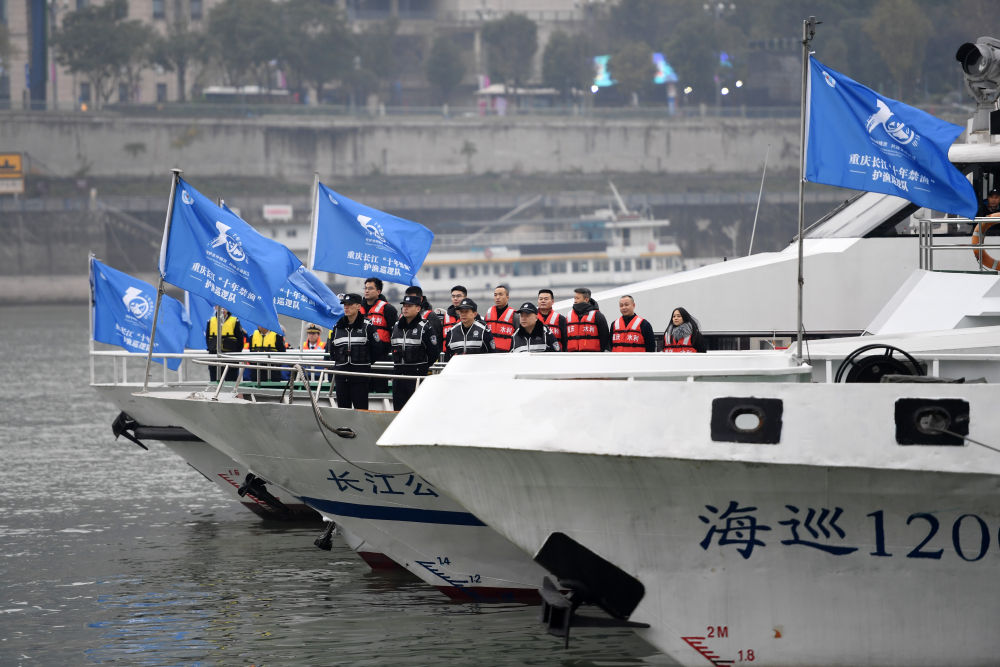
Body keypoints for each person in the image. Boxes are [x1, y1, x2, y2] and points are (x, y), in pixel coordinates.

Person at [327, 293, 379, 410]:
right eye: (345, 304)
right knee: (343, 411)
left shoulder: (367, 326)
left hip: (360, 376)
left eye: (350, 305)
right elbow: (332, 351)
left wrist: (365, 363)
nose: (346, 307)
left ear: (358, 306)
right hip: (341, 376)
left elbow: (377, 349)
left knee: (361, 411)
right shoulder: (337, 327)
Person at [390, 294, 441, 410]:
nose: (405, 308)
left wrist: (421, 367)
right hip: (398, 375)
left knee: (416, 409)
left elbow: (434, 352)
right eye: (404, 306)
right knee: (398, 410)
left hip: (416, 375)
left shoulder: (425, 327)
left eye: (409, 306)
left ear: (418, 308)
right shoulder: (396, 326)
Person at [362, 277, 397, 392]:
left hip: (381, 358)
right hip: (361, 357)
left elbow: (395, 333)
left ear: (378, 291)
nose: (367, 291)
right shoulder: (357, 309)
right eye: (365, 288)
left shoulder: (388, 309)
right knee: (362, 390)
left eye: (370, 288)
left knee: (381, 390)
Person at [205, 307, 245, 381]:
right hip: (214, 357)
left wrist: (235, 355)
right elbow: (208, 339)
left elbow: (240, 341)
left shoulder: (235, 321)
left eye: (225, 308)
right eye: (220, 307)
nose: (223, 310)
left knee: (231, 382)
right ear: (216, 308)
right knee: (214, 382)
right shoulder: (210, 321)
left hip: (230, 358)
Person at [565, 287, 610, 352]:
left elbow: (605, 338)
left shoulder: (598, 316)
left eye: (577, 298)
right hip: (572, 355)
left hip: (593, 355)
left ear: (586, 299)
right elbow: (564, 338)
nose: (575, 301)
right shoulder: (569, 316)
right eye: (574, 298)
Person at [485, 284, 516, 351]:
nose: (497, 297)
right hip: (490, 353)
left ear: (507, 297)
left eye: (500, 294)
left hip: (507, 353)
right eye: (495, 295)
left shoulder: (515, 315)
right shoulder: (488, 313)